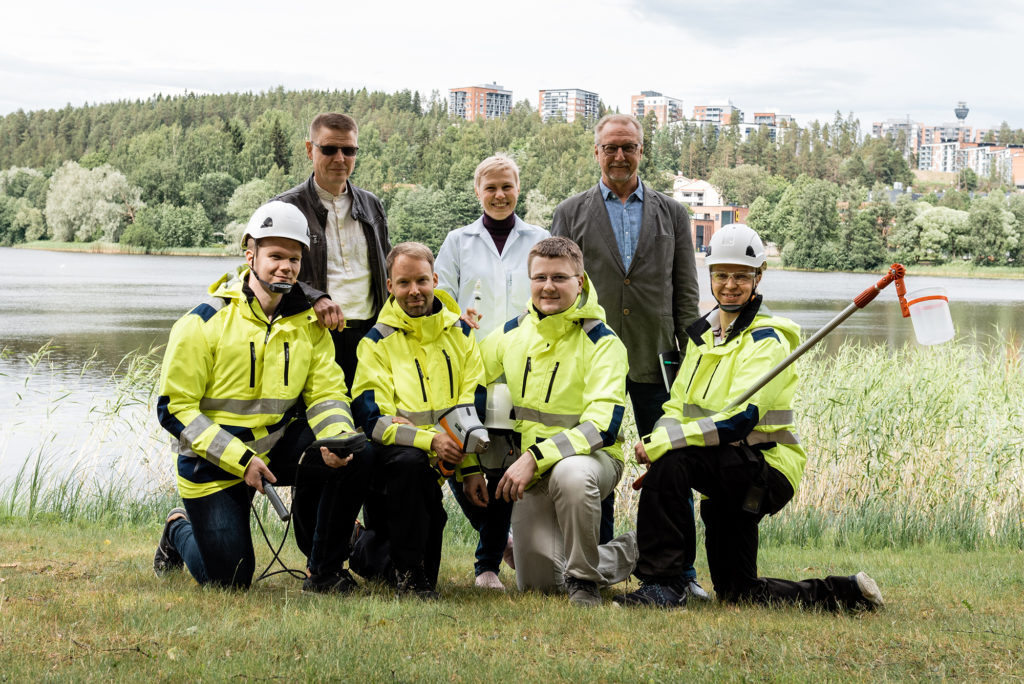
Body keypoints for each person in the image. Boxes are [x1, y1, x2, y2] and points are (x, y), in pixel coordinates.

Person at [615, 224, 885, 611]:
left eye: (741, 276)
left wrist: (663, 446)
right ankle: (847, 594)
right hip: (723, 467)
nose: (730, 284)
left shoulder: (768, 341)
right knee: (739, 592)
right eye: (722, 275)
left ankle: (663, 584)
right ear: (709, 276)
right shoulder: (703, 338)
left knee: (674, 461)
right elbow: (676, 407)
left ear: (758, 277)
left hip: (764, 469)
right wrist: (663, 437)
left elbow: (738, 421)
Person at [152, 201, 369, 592]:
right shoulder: (203, 322)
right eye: (275, 256)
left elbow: (326, 394)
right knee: (229, 579)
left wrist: (336, 436)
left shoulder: (309, 326)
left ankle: (323, 570)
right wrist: (241, 460)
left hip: (275, 449)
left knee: (355, 453)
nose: (285, 266)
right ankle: (177, 530)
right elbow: (173, 409)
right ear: (249, 255)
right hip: (211, 463)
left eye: (294, 258)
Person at [551, 112, 705, 599]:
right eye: (611, 147)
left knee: (670, 467)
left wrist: (693, 355)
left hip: (657, 358)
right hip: (593, 362)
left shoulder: (672, 214)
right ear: (596, 152)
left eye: (629, 147)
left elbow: (684, 290)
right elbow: (558, 289)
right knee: (594, 461)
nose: (620, 155)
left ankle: (679, 574)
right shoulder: (570, 213)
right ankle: (593, 572)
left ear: (642, 151)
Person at [480, 237, 637, 607]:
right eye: (540, 278)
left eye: (559, 278)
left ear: (579, 282)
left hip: (592, 462)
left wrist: (534, 457)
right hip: (532, 471)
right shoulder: (510, 334)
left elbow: (602, 426)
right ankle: (633, 550)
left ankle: (584, 582)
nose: (548, 286)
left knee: (572, 473)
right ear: (530, 281)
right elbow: (470, 375)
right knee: (538, 584)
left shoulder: (603, 343)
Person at [434, 154, 549, 591]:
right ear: (477, 191)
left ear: (518, 188)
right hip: (468, 370)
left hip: (513, 374)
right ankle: (500, 541)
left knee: (500, 467)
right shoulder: (458, 241)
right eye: (491, 188)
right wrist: (457, 314)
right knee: (459, 460)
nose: (499, 196)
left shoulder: (538, 238)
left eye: (507, 187)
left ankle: (486, 566)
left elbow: (552, 289)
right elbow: (440, 296)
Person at [350, 242, 487, 600]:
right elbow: (373, 422)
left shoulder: (462, 333)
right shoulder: (375, 343)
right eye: (404, 282)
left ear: (435, 279)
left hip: (436, 465)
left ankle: (362, 546)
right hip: (393, 463)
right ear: (390, 285)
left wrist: (470, 466)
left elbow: (469, 407)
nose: (414, 291)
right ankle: (409, 578)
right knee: (410, 466)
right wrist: (428, 441)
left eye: (422, 281)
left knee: (423, 560)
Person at [275, 112, 391, 392]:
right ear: (309, 149)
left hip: (373, 337)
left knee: (372, 422)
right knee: (323, 425)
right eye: (329, 149)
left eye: (349, 150)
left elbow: (390, 270)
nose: (340, 158)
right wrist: (313, 299)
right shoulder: (284, 209)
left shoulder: (372, 205)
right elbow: (264, 276)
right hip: (315, 337)